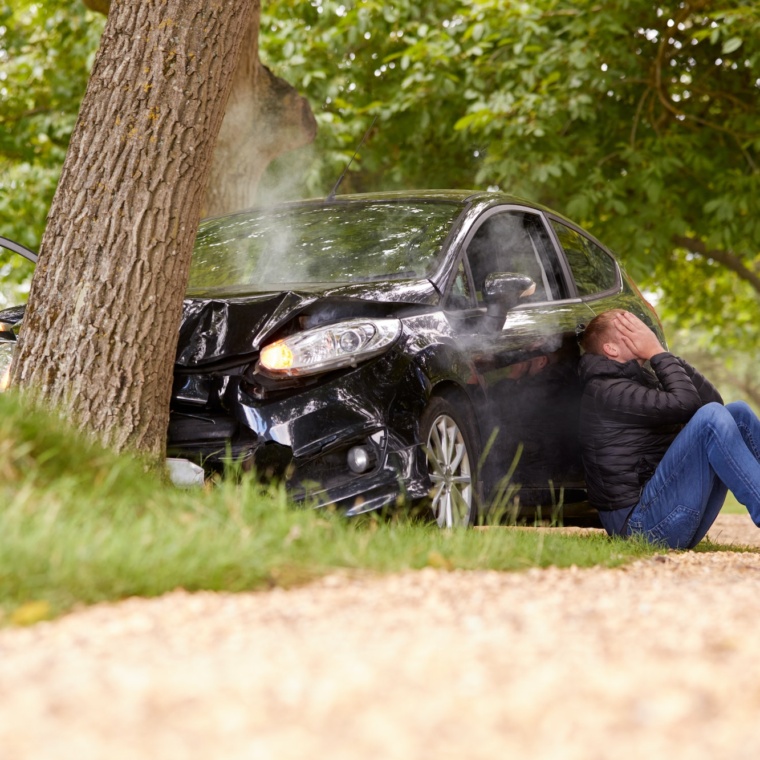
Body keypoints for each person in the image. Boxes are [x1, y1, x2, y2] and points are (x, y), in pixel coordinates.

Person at [577, 309, 760, 548]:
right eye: (631, 330)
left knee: (738, 413)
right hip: (639, 527)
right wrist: (657, 353)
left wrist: (663, 355)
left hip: (660, 514)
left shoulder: (636, 379)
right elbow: (690, 406)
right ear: (611, 349)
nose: (644, 333)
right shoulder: (605, 390)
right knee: (711, 417)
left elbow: (713, 402)